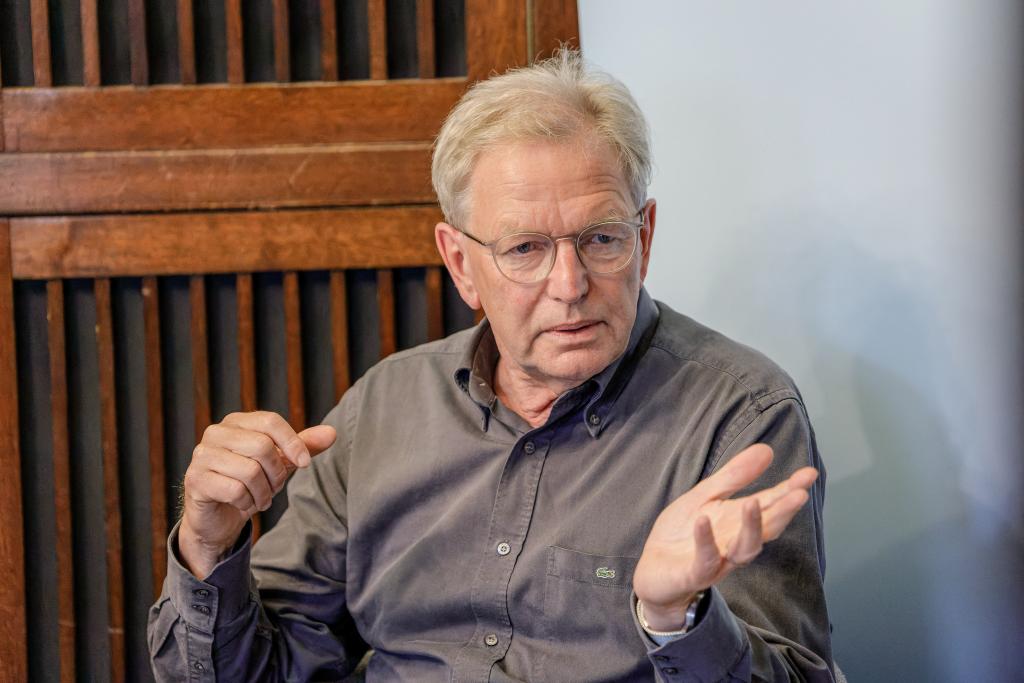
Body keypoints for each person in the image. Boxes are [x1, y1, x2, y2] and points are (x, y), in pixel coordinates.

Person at [149, 50, 834, 682]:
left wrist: (674, 619)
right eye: (526, 248)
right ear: (460, 263)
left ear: (644, 238)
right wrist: (208, 544)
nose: (570, 283)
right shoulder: (387, 406)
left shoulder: (740, 415)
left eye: (601, 239)